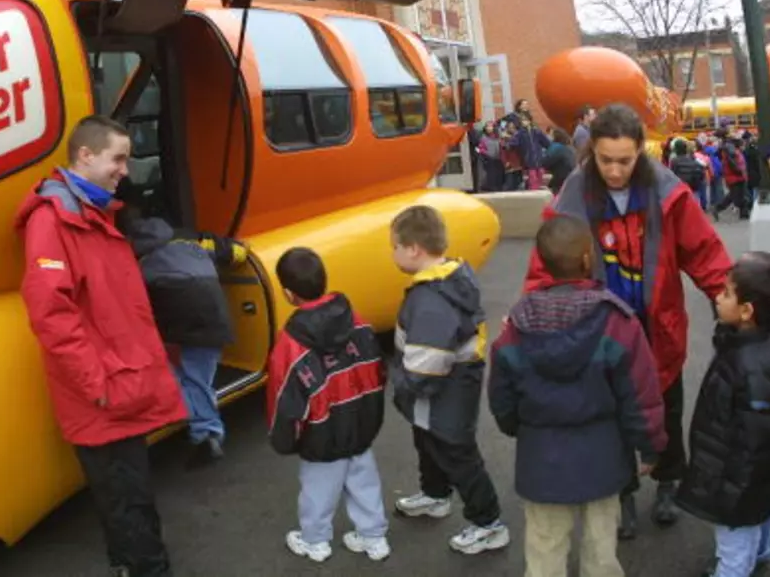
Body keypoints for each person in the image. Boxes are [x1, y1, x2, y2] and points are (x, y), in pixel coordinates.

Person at [523, 104, 731, 540]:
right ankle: (623, 491)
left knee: (666, 411)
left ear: (641, 150)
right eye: (605, 160)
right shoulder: (575, 196)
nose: (615, 170)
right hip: (601, 331)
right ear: (590, 154)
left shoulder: (668, 192)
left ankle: (669, 480)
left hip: (660, 328)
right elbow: (549, 262)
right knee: (613, 415)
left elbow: (703, 252)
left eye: (625, 159)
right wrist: (534, 315)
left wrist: (731, 299)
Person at [16, 116, 186, 577]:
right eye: (118, 158)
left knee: (128, 495)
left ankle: (129, 566)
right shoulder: (54, 221)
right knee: (128, 499)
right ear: (85, 156)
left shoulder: (89, 213)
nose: (125, 171)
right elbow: (51, 314)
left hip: (116, 384)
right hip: (103, 391)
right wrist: (98, 384)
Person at [490, 215, 666, 577]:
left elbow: (501, 396)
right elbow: (640, 392)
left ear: (542, 260)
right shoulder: (617, 322)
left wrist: (517, 426)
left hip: (541, 460)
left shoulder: (516, 328)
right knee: (601, 551)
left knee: (544, 552)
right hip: (603, 456)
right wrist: (649, 445)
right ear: (588, 258)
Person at [388, 205, 509, 555]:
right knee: (427, 441)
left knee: (456, 451)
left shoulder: (429, 299)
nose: (392, 253)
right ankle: (435, 494)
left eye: (394, 246)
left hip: (440, 392)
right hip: (450, 386)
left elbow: (428, 364)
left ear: (413, 249)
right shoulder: (450, 278)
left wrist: (406, 389)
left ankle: (489, 523)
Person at [266, 247, 389, 563]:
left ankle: (315, 541)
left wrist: (285, 440)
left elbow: (285, 401)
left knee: (318, 490)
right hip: (362, 421)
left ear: (288, 294)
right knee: (364, 480)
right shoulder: (357, 320)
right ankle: (374, 537)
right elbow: (379, 368)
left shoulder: (289, 343)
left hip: (322, 431)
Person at [676, 251, 770, 577]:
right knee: (760, 513)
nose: (717, 296)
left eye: (726, 293)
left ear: (746, 311)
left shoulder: (748, 365)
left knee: (734, 546)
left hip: (737, 480)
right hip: (755, 477)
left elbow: (754, 437)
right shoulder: (757, 348)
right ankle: (763, 552)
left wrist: (731, 487)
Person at [128, 216, 247, 467]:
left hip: (177, 318)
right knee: (197, 376)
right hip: (214, 313)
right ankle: (205, 429)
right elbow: (237, 253)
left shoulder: (131, 255)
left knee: (180, 377)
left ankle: (206, 432)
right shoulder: (192, 238)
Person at [542, 128, 576, 194]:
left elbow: (545, 162)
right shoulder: (568, 147)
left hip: (561, 178)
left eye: (550, 135)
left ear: (555, 137)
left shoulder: (556, 147)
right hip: (570, 176)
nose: (548, 136)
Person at [477, 120, 505, 192]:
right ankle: (491, 188)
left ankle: (499, 188)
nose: (488, 128)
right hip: (489, 159)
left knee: (499, 175)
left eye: (490, 126)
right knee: (491, 175)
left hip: (498, 159)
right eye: (487, 126)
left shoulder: (498, 136)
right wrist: (485, 152)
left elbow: (503, 124)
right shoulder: (483, 138)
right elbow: (479, 148)